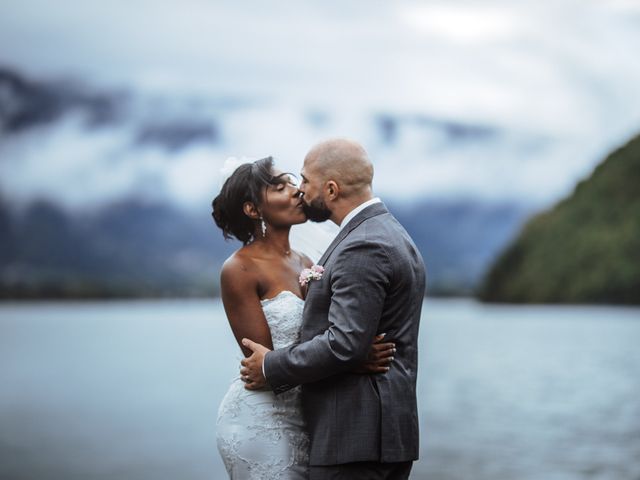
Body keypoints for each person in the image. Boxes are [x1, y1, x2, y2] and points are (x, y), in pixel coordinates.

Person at [240, 139, 426, 480]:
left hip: (356, 435)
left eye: (305, 181)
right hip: (377, 434)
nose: (301, 191)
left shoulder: (363, 245)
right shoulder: (389, 233)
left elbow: (344, 344)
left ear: (331, 189)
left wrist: (270, 366)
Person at [212, 156, 395, 479]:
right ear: (253, 210)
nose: (297, 191)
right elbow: (263, 362)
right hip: (261, 416)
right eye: (280, 187)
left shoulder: (307, 262)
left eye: (293, 182)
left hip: (308, 416)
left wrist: (349, 348)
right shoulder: (239, 269)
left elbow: (325, 334)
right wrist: (352, 359)